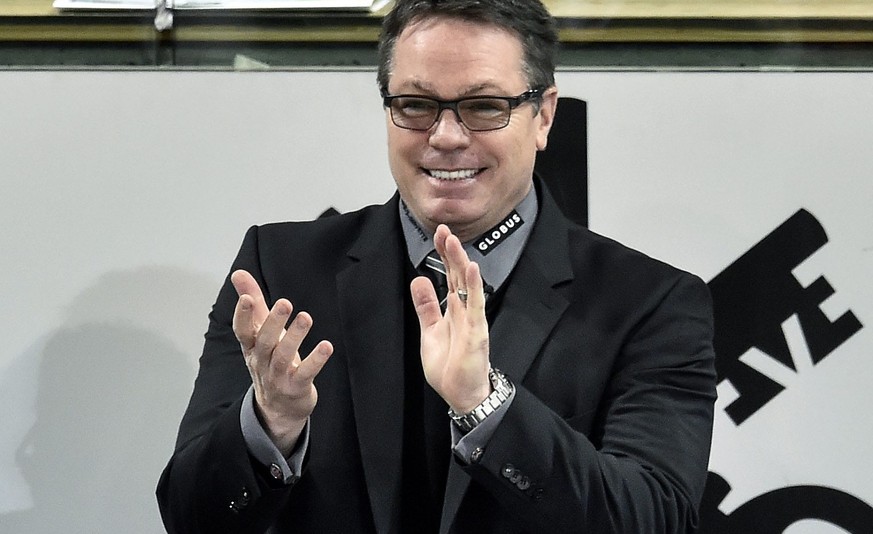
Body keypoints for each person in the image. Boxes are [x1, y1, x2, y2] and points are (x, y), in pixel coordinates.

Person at [156, 0, 717, 532]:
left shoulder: (650, 303)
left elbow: (654, 518)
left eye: (484, 106)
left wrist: (487, 406)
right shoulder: (280, 271)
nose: (446, 137)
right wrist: (269, 427)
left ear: (543, 116)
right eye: (417, 105)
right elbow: (190, 518)